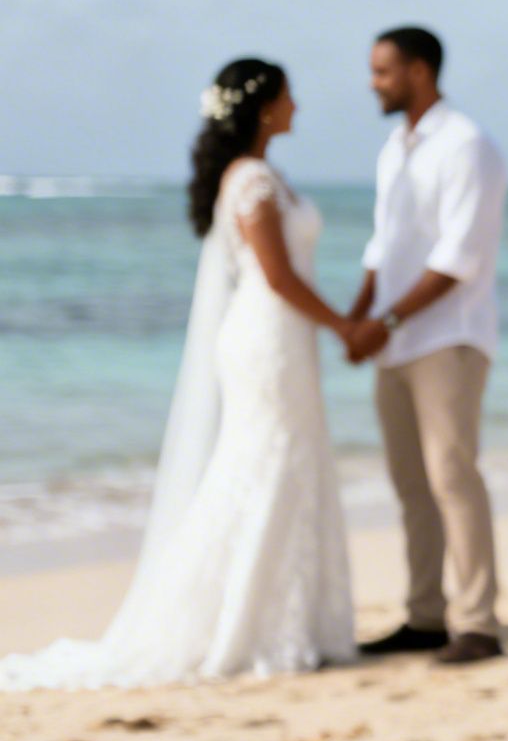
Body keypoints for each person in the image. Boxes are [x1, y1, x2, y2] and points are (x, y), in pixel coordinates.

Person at [2, 59, 362, 690]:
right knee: (262, 462)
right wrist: (345, 325)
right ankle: (240, 624)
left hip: (282, 335)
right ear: (263, 108)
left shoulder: (262, 174)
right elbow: (277, 277)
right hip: (267, 334)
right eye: (288, 97)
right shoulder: (250, 179)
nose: (297, 106)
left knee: (285, 461)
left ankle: (288, 619)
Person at [345, 27, 508, 666]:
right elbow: (383, 248)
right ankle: (424, 615)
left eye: (382, 71)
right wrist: (355, 321)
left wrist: (380, 322)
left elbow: (458, 258)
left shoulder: (468, 145)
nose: (372, 83)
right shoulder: (396, 147)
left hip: (449, 336)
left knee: (452, 476)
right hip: (395, 340)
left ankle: (478, 622)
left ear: (418, 71)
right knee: (410, 482)